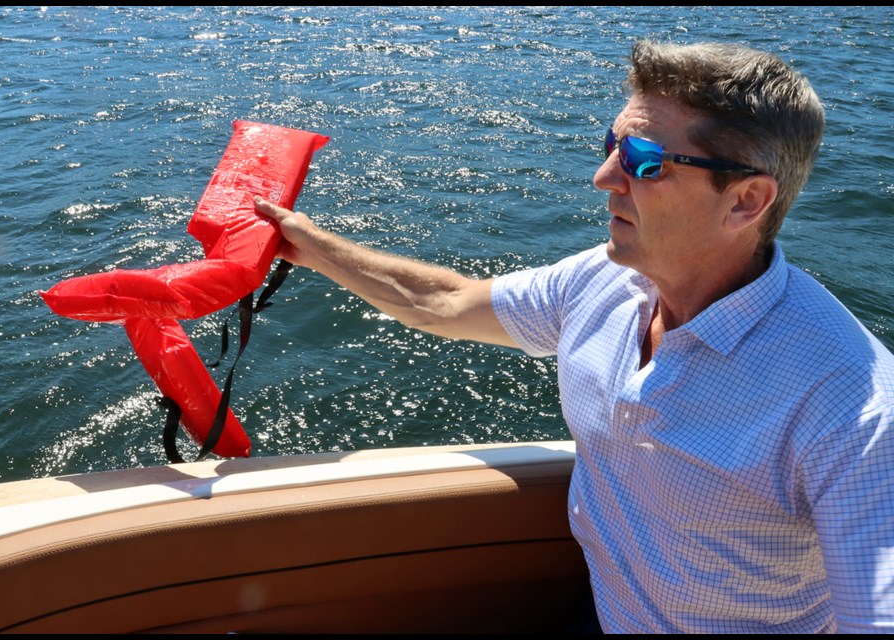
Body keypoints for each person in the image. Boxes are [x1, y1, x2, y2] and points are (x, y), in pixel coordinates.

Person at [253, 40, 894, 633]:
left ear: (746, 201)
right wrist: (313, 248)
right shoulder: (605, 281)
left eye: (643, 161)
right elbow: (444, 303)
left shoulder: (851, 406)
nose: (605, 177)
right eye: (610, 144)